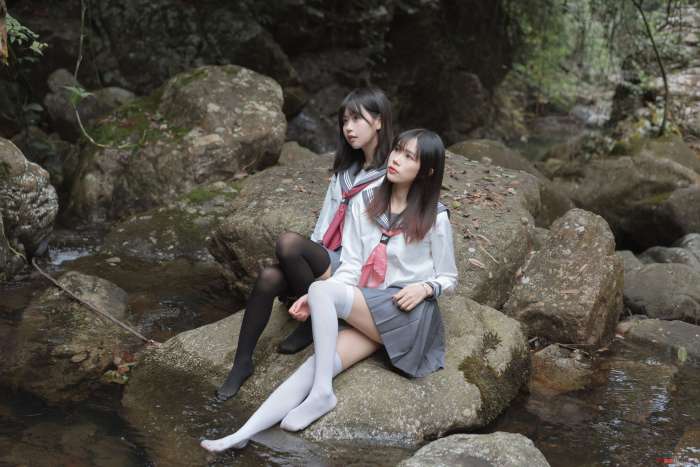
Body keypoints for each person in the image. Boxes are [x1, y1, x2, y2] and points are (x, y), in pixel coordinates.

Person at [201, 129, 458, 451]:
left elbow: (448, 276)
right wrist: (316, 296)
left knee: (321, 293)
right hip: (370, 310)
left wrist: (425, 288)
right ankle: (240, 436)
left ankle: (322, 393)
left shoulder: (436, 217)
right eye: (397, 150)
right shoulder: (367, 200)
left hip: (408, 315)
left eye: (409, 157)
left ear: (427, 171)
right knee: (314, 364)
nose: (396, 159)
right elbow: (351, 266)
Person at [215, 88, 394, 401]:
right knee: (269, 276)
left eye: (357, 119)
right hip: (328, 258)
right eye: (345, 121)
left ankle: (314, 318)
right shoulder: (346, 171)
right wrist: (304, 265)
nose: (349, 128)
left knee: (288, 244)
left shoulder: (390, 176)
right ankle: (241, 363)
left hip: (357, 269)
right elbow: (324, 224)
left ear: (379, 121)